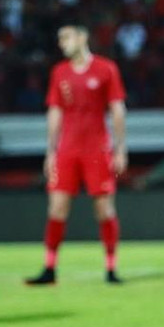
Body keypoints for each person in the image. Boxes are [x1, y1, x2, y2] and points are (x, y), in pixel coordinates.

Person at [25, 22, 128, 285]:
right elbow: (55, 111)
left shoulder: (106, 69)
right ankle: (49, 268)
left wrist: (120, 148)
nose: (61, 43)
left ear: (82, 37)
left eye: (66, 37)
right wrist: (50, 151)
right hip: (67, 149)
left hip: (97, 148)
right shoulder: (59, 72)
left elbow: (117, 109)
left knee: (104, 209)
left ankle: (111, 268)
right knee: (57, 208)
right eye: (60, 39)